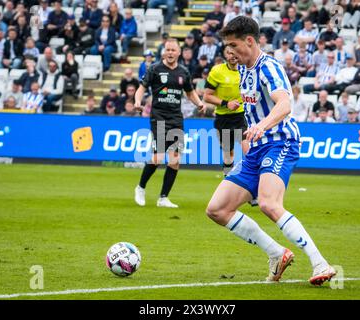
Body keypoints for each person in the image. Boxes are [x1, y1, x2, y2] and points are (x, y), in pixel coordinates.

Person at [208, 16, 335, 285]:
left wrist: (262, 126)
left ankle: (320, 263)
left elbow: (284, 104)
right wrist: (250, 134)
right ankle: (276, 253)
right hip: (256, 148)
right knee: (217, 209)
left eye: (233, 45)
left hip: (281, 141)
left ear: (250, 41)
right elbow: (253, 108)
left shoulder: (269, 68)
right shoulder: (243, 69)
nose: (230, 52)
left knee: (268, 203)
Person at [134, 38, 206, 208]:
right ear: (164, 52)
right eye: (168, 50)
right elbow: (142, 88)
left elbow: (190, 93)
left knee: (175, 160)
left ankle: (163, 198)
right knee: (158, 157)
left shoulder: (183, 72)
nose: (170, 53)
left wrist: (199, 103)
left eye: (174, 50)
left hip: (176, 118)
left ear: (179, 52)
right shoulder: (154, 69)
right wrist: (138, 101)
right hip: (158, 116)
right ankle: (141, 187)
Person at [203, 46, 249, 176]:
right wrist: (226, 103)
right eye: (229, 53)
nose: (232, 55)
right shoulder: (217, 71)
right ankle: (227, 180)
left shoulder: (246, 69)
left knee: (248, 149)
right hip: (223, 118)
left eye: (235, 52)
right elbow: (207, 96)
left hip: (241, 116)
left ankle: (253, 184)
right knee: (229, 153)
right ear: (225, 54)